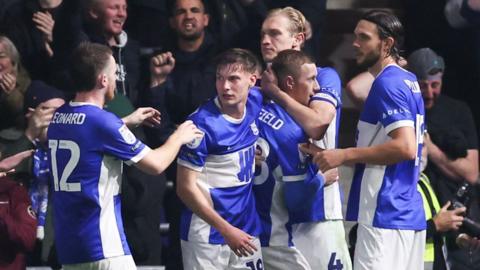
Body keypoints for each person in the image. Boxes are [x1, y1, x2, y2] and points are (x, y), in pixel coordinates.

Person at [46, 42, 202, 269]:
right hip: (104, 247)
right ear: (103, 80)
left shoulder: (60, 117)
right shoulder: (103, 122)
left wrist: (126, 121)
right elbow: (156, 165)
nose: (117, 80)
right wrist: (178, 136)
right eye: (113, 73)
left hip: (70, 248)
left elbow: (89, 135)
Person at [301, 10, 426, 270]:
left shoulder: (387, 83)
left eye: (363, 37)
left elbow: (405, 147)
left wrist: (343, 155)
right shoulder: (408, 80)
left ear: (387, 44)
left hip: (385, 213)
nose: (354, 43)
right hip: (407, 214)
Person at [259, 7, 351, 269]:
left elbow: (317, 123)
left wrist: (276, 93)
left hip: (318, 212)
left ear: (298, 39)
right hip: (275, 219)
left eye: (275, 33)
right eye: (263, 34)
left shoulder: (323, 76)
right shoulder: (258, 89)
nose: (266, 40)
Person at [176, 48, 264, 270]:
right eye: (219, 78)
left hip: (246, 227)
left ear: (252, 80)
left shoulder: (255, 100)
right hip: (208, 234)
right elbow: (184, 188)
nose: (225, 87)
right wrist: (226, 231)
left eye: (233, 79)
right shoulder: (201, 125)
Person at [407, 47, 480, 269]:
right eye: (422, 86)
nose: (429, 93)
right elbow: (355, 88)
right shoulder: (405, 108)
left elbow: (472, 172)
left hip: (457, 211)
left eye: (435, 85)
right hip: (422, 209)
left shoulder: (457, 111)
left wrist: (431, 147)